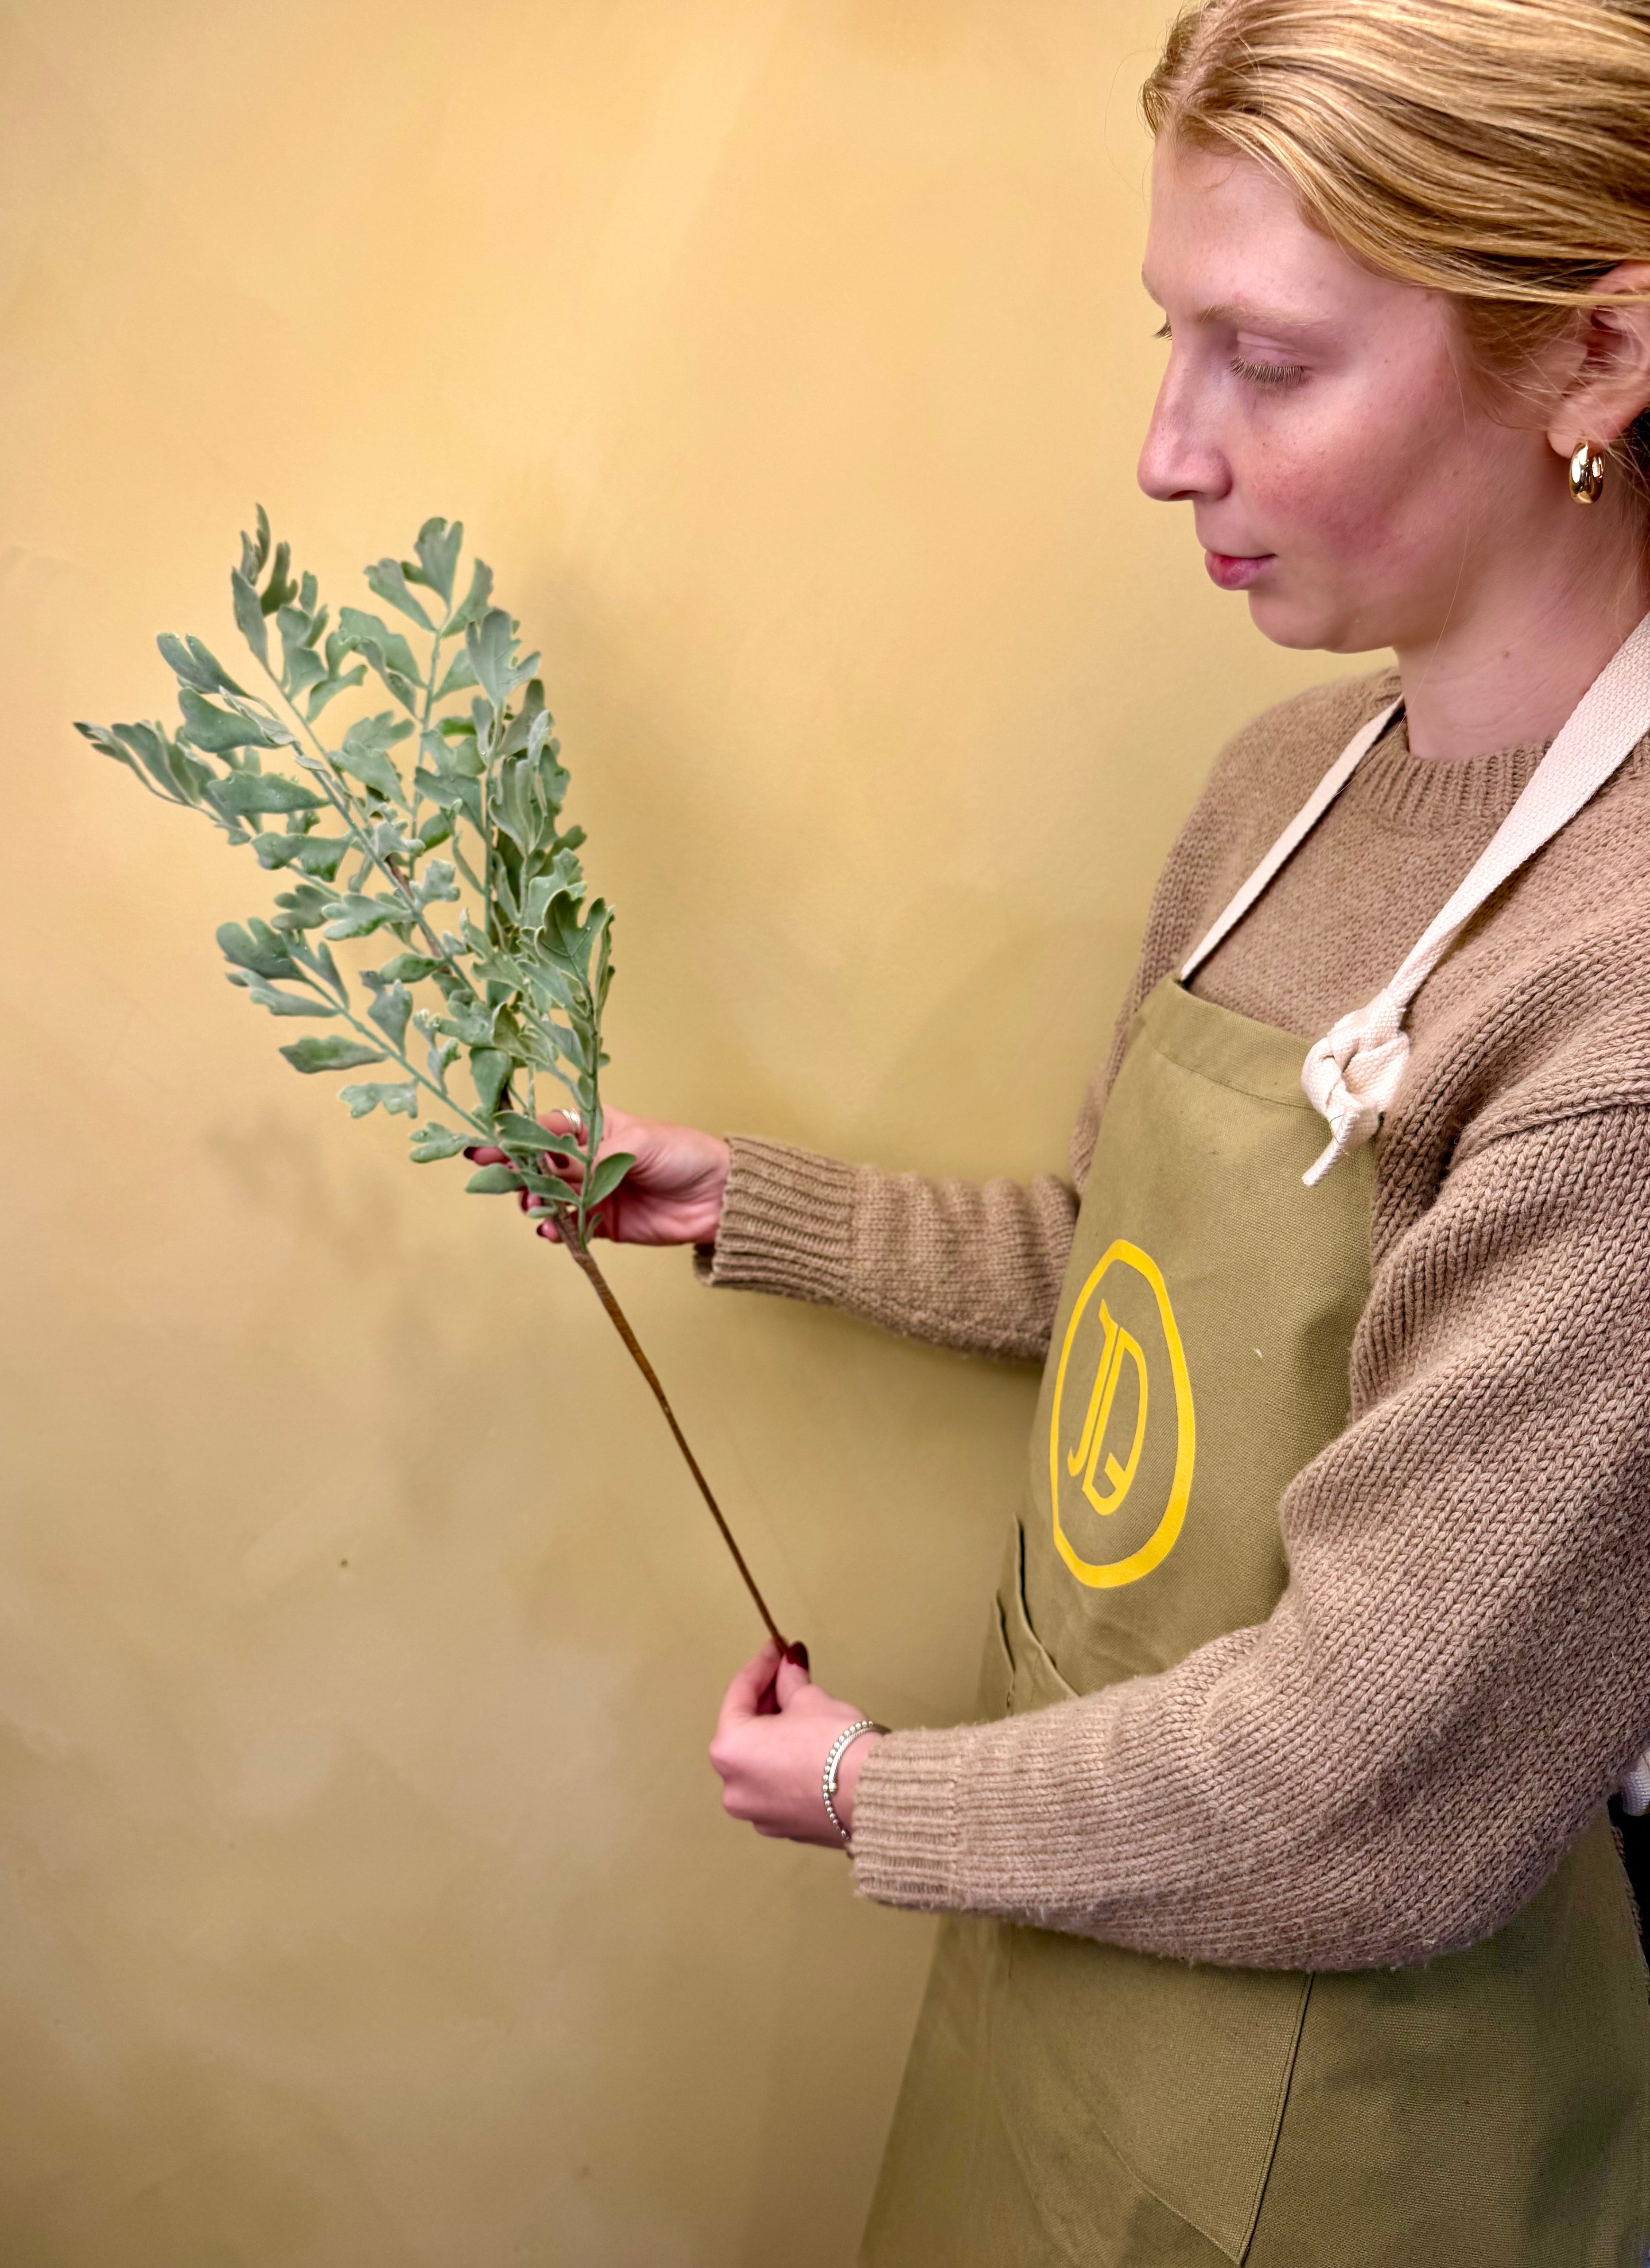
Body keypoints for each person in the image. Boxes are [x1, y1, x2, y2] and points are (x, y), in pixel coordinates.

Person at [478, 0, 1650, 2255]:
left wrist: (874, 1792)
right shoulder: (1285, 790)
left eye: (1267, 362)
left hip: (1363, 2113)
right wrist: (748, 1204)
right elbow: (1145, 1264)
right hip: (1072, 1966)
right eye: (1167, 341)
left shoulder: (1616, 1018)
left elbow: (1360, 1785)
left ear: (1596, 359)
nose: (1163, 452)